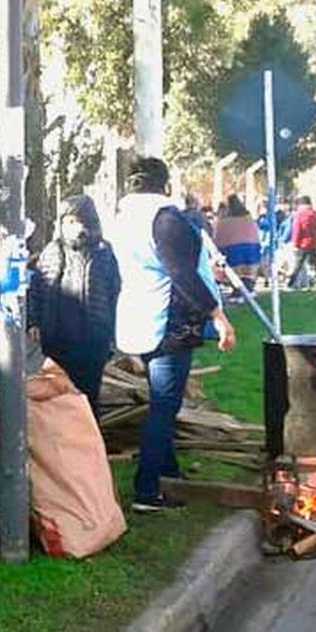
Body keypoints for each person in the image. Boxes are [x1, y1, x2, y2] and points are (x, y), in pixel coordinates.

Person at [112, 158, 236, 513]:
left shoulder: (123, 217)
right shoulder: (165, 219)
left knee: (161, 400)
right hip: (167, 320)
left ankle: (168, 472)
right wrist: (218, 315)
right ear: (164, 185)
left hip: (138, 313)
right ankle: (147, 489)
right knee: (164, 406)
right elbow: (182, 274)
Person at [27, 194, 121, 411]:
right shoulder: (52, 252)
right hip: (58, 339)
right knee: (59, 398)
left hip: (93, 340)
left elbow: (113, 292)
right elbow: (38, 290)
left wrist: (112, 333)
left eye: (77, 220)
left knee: (88, 399)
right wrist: (33, 321)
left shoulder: (103, 253)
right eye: (67, 221)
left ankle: (89, 442)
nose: (73, 226)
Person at [214, 195, 263, 294]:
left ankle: (238, 289)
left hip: (233, 252)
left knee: (227, 267)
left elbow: (218, 238)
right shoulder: (248, 218)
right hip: (252, 250)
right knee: (247, 273)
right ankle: (247, 288)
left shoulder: (224, 221)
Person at [288, 196, 316, 289]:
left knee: (298, 265)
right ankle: (312, 282)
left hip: (302, 244)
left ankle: (293, 283)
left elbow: (297, 230)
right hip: (314, 243)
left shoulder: (299, 214)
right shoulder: (315, 214)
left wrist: (295, 243)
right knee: (312, 264)